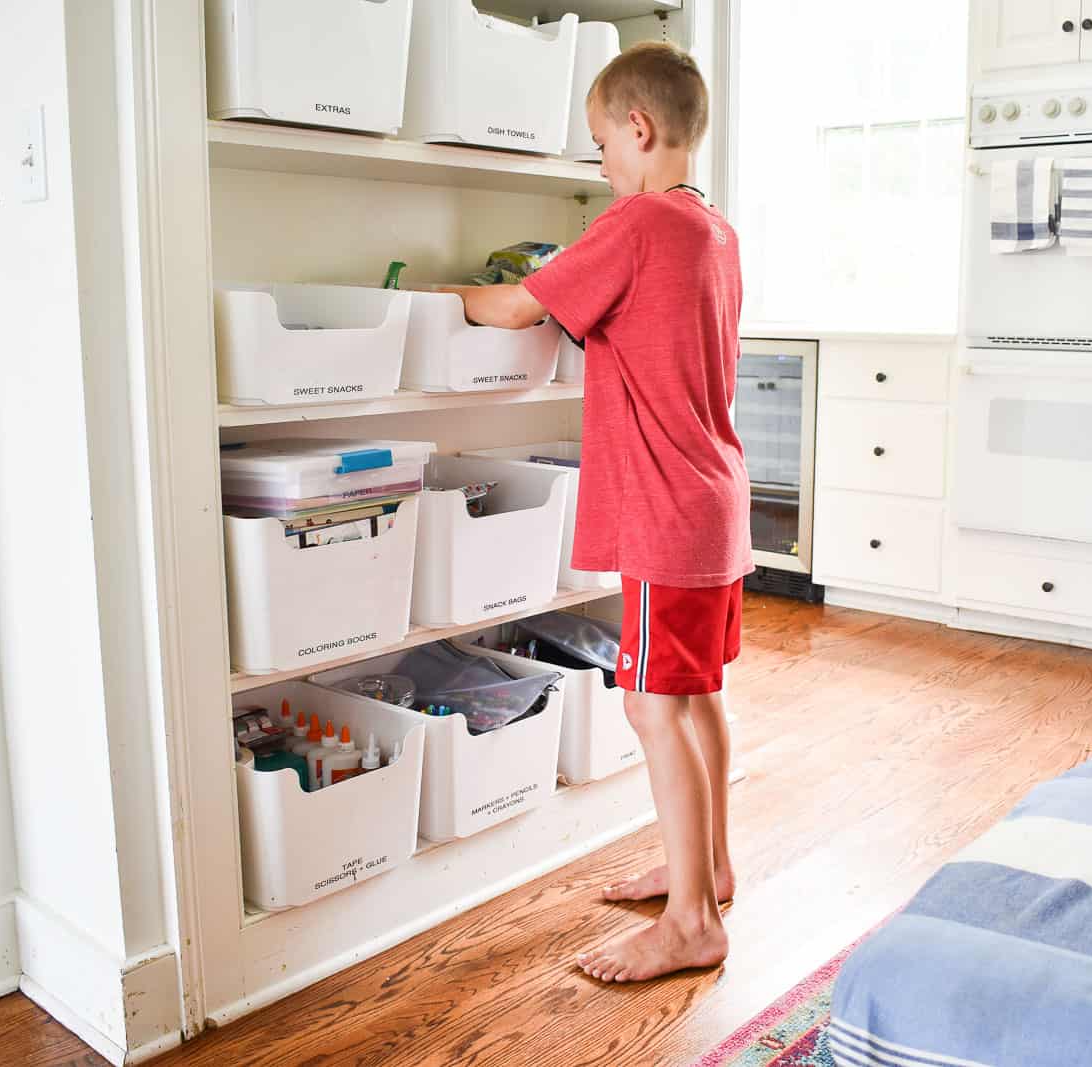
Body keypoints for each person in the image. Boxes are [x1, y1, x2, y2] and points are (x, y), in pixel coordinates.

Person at [445, 40, 750, 983]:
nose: (601, 163)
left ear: (640, 127)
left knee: (649, 701)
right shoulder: (713, 230)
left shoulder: (638, 224)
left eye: (600, 143)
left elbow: (513, 310)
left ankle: (692, 922)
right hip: (714, 500)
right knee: (694, 698)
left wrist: (446, 294)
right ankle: (711, 870)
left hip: (667, 511)